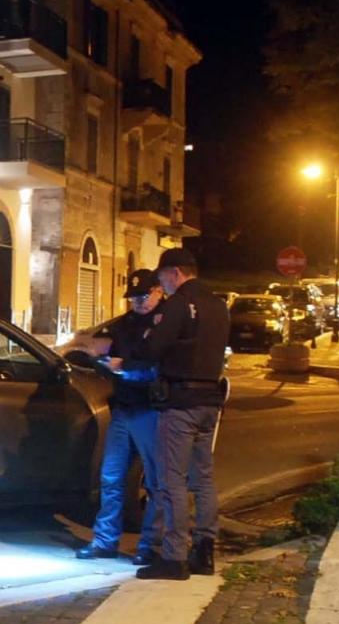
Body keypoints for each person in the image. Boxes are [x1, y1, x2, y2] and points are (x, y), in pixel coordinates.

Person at [128, 247, 229, 581]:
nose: (162, 283)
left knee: (172, 479)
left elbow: (153, 349)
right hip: (210, 402)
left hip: (180, 402)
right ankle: (205, 551)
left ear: (174, 273)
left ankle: (174, 557)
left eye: (161, 277)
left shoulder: (178, 304)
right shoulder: (218, 305)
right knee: (204, 479)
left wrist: (148, 335)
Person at [75, 269, 165, 565]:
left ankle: (149, 545)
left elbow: (159, 367)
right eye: (134, 298)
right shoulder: (126, 324)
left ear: (158, 291)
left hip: (149, 408)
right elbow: (109, 347)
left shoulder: (165, 323)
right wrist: (98, 358)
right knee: (111, 477)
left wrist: (123, 367)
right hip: (123, 408)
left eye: (143, 296)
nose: (138, 302)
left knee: (153, 480)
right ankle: (105, 540)